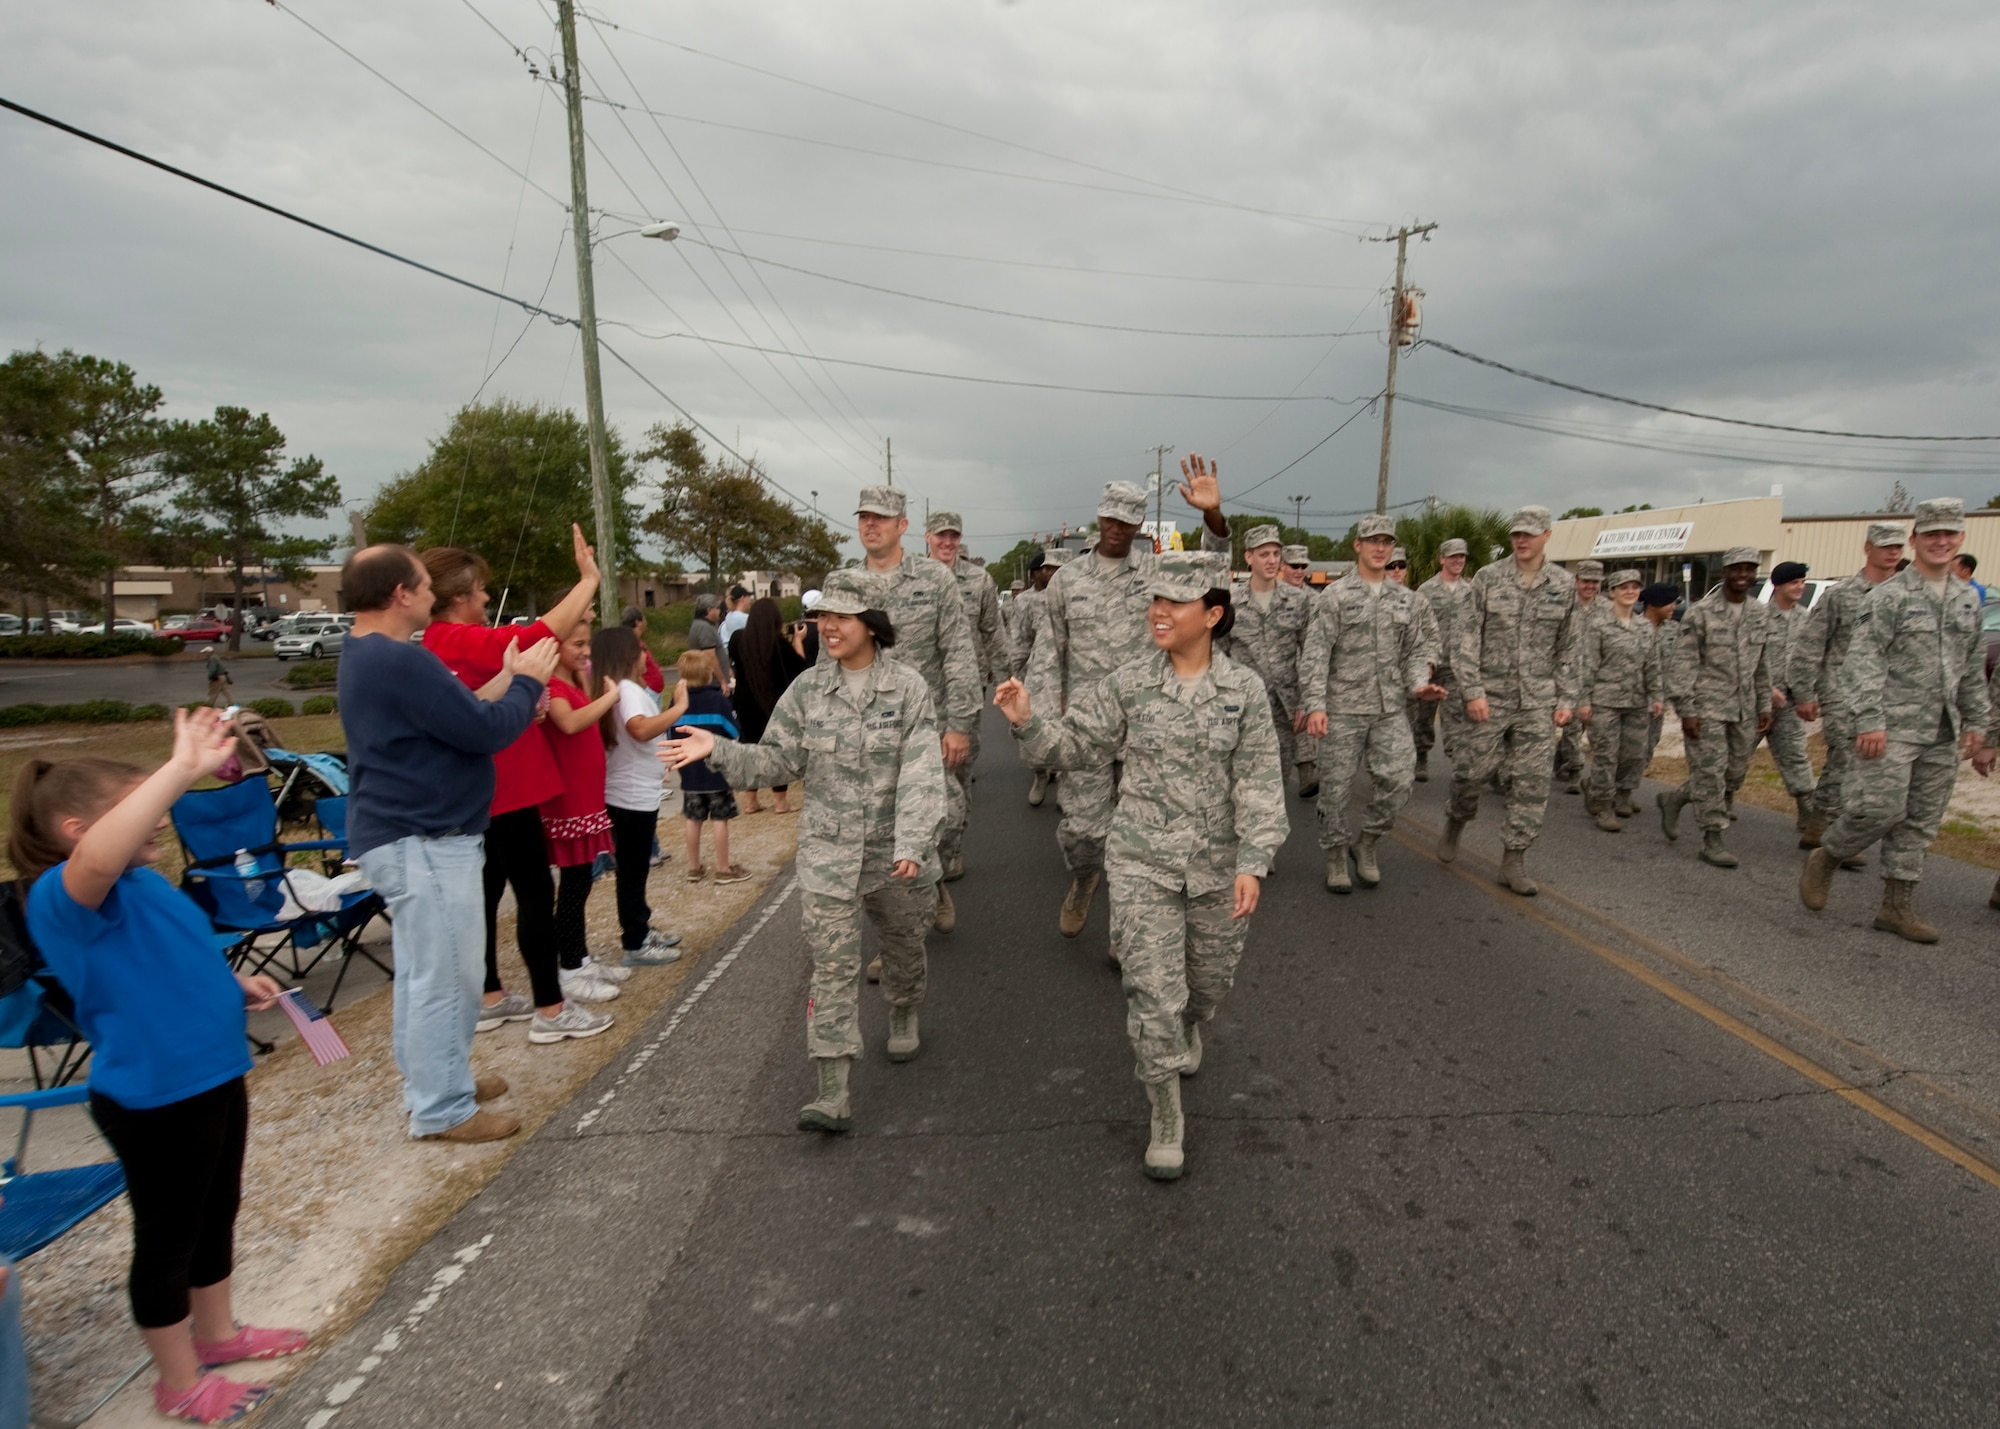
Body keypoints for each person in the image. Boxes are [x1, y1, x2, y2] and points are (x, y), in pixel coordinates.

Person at [16, 711, 306, 1421]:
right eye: (139, 805)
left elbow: (170, 949)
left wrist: (233, 980)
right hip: (154, 1098)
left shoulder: (144, 882)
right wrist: (178, 770)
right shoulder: (65, 893)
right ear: (78, 831)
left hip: (212, 1074)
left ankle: (216, 1334)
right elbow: (98, 863)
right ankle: (177, 1380)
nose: (162, 817)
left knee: (216, 1214)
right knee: (168, 1239)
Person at [996, 551, 1287, 1181]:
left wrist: (1254, 861)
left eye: (1174, 603)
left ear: (1211, 614)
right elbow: (1073, 747)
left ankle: (1190, 1023)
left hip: (1217, 865)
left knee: (1204, 988)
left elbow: (1261, 782)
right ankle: (1165, 1112)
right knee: (1151, 993)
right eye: (1154, 600)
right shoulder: (1130, 683)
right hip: (1141, 863)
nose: (1158, 612)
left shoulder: (1245, 692)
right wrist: (1026, 722)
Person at [661, 568, 946, 1131]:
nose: (827, 627)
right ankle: (833, 1088)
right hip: (828, 857)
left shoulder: (909, 689)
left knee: (905, 944)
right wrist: (716, 749)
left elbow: (922, 773)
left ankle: (905, 1005)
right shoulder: (809, 690)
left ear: (871, 623)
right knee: (831, 968)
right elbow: (775, 763)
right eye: (823, 617)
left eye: (841, 617)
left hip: (895, 855)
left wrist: (914, 841)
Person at [336, 545, 553, 1141]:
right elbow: (485, 730)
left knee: (422, 974)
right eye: (424, 584)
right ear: (400, 594)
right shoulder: (399, 662)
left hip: (404, 837)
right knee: (447, 977)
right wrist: (529, 683)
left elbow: (455, 713)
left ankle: (436, 1078)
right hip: (425, 839)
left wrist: (508, 676)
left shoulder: (369, 654)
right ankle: (442, 1107)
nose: (434, 594)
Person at [420, 526, 613, 1045]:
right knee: (534, 892)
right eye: (480, 591)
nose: (487, 598)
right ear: (458, 598)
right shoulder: (456, 639)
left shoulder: (443, 643)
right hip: (505, 786)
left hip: (490, 786)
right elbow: (539, 635)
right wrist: (588, 579)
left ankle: (490, 995)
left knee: (489, 890)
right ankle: (551, 1008)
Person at [1027, 460, 1232, 946]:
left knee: (1144, 839)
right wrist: (1041, 728)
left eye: (1127, 520)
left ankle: (1129, 930)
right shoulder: (1067, 581)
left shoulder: (1160, 574)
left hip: (1150, 722)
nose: (1117, 528)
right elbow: (1046, 656)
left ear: (1140, 524)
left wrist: (1214, 517)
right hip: (1089, 726)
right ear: (1098, 519)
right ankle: (1084, 878)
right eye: (1110, 518)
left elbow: (1215, 569)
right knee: (1083, 833)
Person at [1800, 500, 1989, 941]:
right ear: (1915, 540)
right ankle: (1827, 855)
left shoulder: (1967, 599)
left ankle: (1895, 907)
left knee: (1921, 820)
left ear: (1961, 539)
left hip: (1943, 729)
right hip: (1890, 726)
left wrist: (1979, 724)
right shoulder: (1889, 595)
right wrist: (1869, 719)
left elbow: (1972, 665)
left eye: (1949, 534)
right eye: (1931, 535)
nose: (1941, 542)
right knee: (1880, 809)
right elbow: (1862, 661)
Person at [844, 486, 980, 933]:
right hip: (867, 729)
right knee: (878, 832)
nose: (871, 524)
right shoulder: (844, 584)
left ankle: (932, 878)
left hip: (928, 723)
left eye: (881, 517)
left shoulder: (934, 580)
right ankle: (897, 939)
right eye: (865, 516)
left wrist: (959, 724)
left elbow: (959, 652)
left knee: (948, 814)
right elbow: (829, 660)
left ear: (902, 526)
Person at [1440, 505, 1582, 896]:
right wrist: (1472, 691)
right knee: (1470, 773)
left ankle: (1514, 858)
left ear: (1547, 536)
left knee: (1532, 784)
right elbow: (1465, 638)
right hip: (1491, 697)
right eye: (1516, 533)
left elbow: (1570, 646)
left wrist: (1566, 697)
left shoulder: (1563, 585)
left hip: (1537, 701)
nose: (1521, 540)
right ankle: (1457, 817)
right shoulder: (1488, 579)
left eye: (1530, 534)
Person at [1300, 513, 1443, 893]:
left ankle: (1366, 842)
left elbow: (1415, 651)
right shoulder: (1335, 596)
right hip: (1342, 709)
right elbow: (1316, 653)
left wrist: (1419, 685)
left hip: (1389, 708)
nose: (1381, 548)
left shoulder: (1407, 600)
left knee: (1399, 782)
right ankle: (1334, 855)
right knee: (1335, 791)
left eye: (1387, 542)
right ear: (1358, 546)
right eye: (1373, 541)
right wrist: (1315, 705)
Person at [1792, 522, 1906, 853]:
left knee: (1873, 766)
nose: (1893, 551)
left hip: (1889, 693)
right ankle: (1822, 826)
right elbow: (1810, 645)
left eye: (1898, 545)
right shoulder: (1841, 595)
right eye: (1885, 545)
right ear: (1868, 548)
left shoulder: (1908, 594)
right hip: (1840, 686)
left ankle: (1836, 828)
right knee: (1844, 755)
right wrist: (1804, 693)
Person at [1656, 549, 1773, 867]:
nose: (1743, 574)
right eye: (1737, 568)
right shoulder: (1700, 613)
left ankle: (1675, 798)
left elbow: (1762, 664)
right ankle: (1712, 839)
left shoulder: (1760, 613)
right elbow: (1683, 664)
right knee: (1710, 775)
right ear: (1724, 571)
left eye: (1750, 569)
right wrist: (1686, 710)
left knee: (1733, 774)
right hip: (1706, 706)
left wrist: (1764, 704)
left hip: (1744, 708)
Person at [540, 619, 626, 1005]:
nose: (586, 651)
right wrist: (610, 698)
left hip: (586, 796)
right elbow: (569, 723)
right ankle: (570, 966)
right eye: (577, 644)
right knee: (573, 884)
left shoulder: (575, 682)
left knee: (582, 881)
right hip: (568, 800)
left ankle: (579, 956)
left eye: (587, 643)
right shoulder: (552, 687)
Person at [925, 511, 1014, 880]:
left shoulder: (978, 581)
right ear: (927, 536)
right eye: (941, 536)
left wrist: (1008, 681)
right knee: (921, 775)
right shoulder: (914, 578)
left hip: (965, 693)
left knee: (958, 774)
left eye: (954, 536)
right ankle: (923, 850)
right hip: (921, 692)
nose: (947, 543)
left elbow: (993, 632)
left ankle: (953, 846)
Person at [593, 626, 690, 966]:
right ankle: (634, 942)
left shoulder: (616, 689)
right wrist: (678, 708)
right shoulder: (628, 690)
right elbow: (639, 728)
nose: (646, 655)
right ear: (628, 655)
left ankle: (641, 928)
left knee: (634, 871)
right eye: (640, 649)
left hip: (628, 793)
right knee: (633, 873)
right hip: (631, 797)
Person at [1223, 525, 1316, 800]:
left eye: (1276, 553)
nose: (1272, 560)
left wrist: (1306, 703)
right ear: (1249, 557)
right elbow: (1218, 655)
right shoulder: (1231, 601)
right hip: (1243, 708)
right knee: (1239, 784)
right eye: (1264, 554)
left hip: (1286, 711)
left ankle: (1267, 842)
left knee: (1276, 786)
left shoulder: (1299, 601)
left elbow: (1311, 653)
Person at [1576, 569, 1661, 831]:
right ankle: (1602, 806)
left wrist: (1656, 694)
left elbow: (1652, 663)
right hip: (1604, 701)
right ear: (1612, 592)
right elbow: (1587, 664)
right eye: (1623, 587)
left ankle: (1605, 788)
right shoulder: (1598, 625)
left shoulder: (1645, 626)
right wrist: (1584, 700)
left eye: (1634, 587)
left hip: (1636, 701)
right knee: (1606, 756)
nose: (1629, 592)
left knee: (1634, 755)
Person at [671, 650, 749, 884]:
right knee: (719, 819)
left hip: (689, 770)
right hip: (716, 769)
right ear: (708, 675)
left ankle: (694, 867)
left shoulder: (677, 700)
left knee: (693, 819)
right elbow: (734, 732)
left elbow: (670, 731)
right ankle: (723, 868)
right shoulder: (717, 700)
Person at [727, 596, 810, 814]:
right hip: (771, 703)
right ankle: (781, 802)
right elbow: (800, 669)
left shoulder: (737, 640)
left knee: (749, 749)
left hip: (745, 704)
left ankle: (751, 801)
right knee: (776, 749)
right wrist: (798, 640)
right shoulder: (779, 644)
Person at [1756, 561, 1822, 829]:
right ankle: (1708, 801)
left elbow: (1811, 660)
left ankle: (1809, 814)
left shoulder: (1806, 619)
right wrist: (1764, 688)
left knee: (1796, 757)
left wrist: (1809, 694)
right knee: (1733, 761)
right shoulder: (1758, 618)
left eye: (1802, 582)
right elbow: (1744, 659)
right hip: (1755, 703)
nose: (1800, 587)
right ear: (1777, 585)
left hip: (1789, 704)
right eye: (1794, 582)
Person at [1411, 537, 1475, 783]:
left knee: (1457, 717)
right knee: (1424, 717)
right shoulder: (1426, 591)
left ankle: (1459, 763)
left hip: (1457, 666)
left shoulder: (1470, 591)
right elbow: (1417, 628)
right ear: (1442, 559)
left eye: (1462, 556)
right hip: (1430, 664)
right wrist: (1421, 662)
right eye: (1453, 557)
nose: (1458, 560)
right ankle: (1421, 756)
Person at [1010, 550, 1064, 806]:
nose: (1053, 573)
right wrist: (1015, 677)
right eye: (1049, 568)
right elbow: (1019, 641)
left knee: (1074, 728)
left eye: (1059, 568)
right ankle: (1040, 775)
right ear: (1038, 572)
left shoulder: (1077, 595)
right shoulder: (1026, 602)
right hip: (1041, 673)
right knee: (1036, 726)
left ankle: (1068, 785)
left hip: (1074, 672)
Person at [1554, 559, 1604, 793]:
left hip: (1593, 676)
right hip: (1563, 674)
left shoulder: (1606, 609)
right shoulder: (1563, 605)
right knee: (1572, 724)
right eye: (1586, 581)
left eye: (1594, 582)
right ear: (1577, 581)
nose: (1590, 586)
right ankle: (1574, 769)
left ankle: (1561, 759)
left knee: (1587, 725)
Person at [1640, 584, 1681, 767]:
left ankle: (1622, 789)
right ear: (1653, 604)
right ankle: (1607, 788)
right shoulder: (1633, 627)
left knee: (1649, 745)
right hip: (1633, 699)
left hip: (1658, 700)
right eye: (1669, 603)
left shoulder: (1676, 630)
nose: (1674, 607)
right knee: (1629, 749)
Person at [688, 594, 734, 692]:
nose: (719, 611)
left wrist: (726, 669)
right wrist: (722, 680)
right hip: (713, 684)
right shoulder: (704, 628)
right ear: (709, 610)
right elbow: (710, 657)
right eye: (717, 608)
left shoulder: (704, 625)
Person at [619, 605, 666, 693]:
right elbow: (632, 668)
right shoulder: (632, 643)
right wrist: (646, 689)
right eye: (643, 619)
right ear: (637, 622)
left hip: (653, 690)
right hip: (648, 691)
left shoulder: (636, 640)